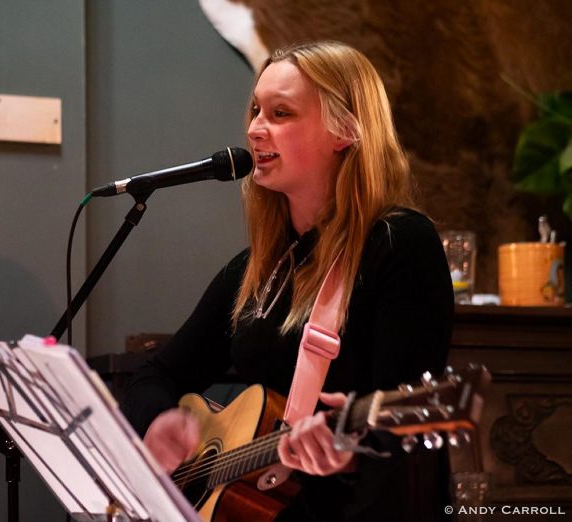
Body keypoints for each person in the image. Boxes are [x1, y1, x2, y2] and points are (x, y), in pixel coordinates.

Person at [123, 41, 454, 521]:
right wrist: (158, 424)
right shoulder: (255, 269)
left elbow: (406, 421)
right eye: (256, 110)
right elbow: (158, 374)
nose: (255, 128)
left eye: (281, 113)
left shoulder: (398, 243)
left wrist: (350, 451)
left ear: (345, 131)